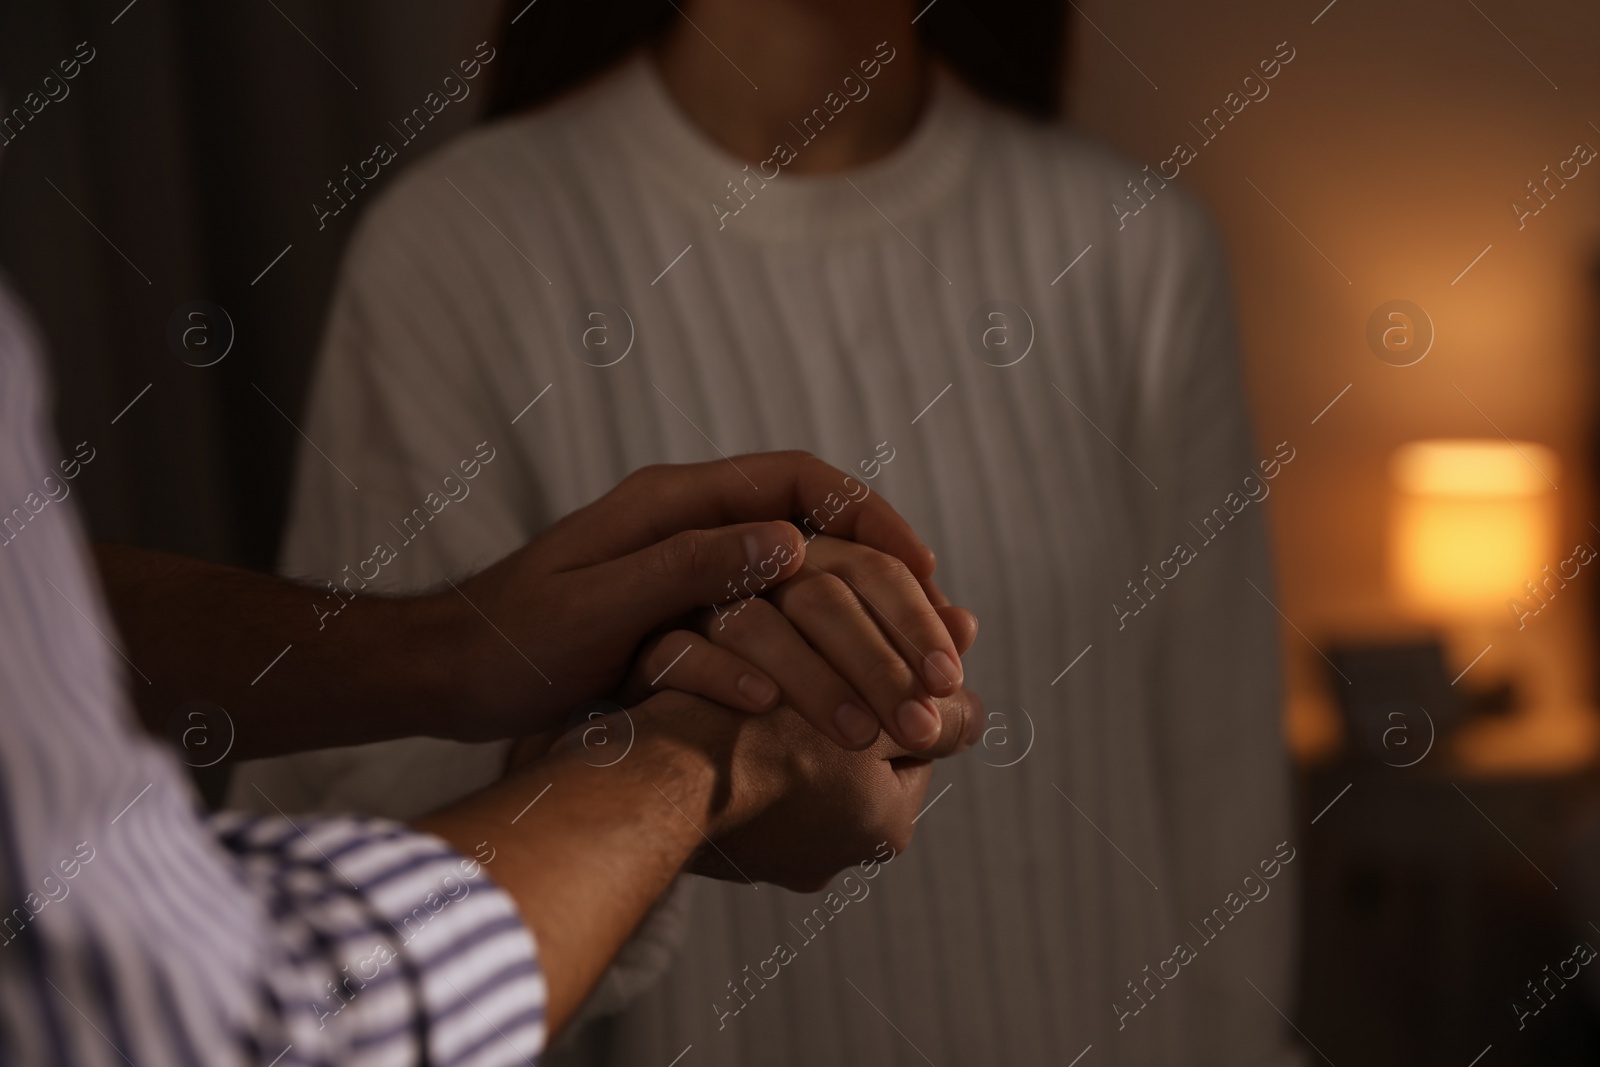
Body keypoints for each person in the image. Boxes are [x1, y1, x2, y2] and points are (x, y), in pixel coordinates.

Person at [234, 0, 1299, 1063]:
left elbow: (1221, 815)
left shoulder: (1136, 252)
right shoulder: (459, 248)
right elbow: (378, 841)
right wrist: (673, 754)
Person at [0, 272, 984, 1064]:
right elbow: (220, 1026)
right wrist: (698, 758)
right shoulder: (451, 246)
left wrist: (451, 649)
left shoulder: (1134, 253)